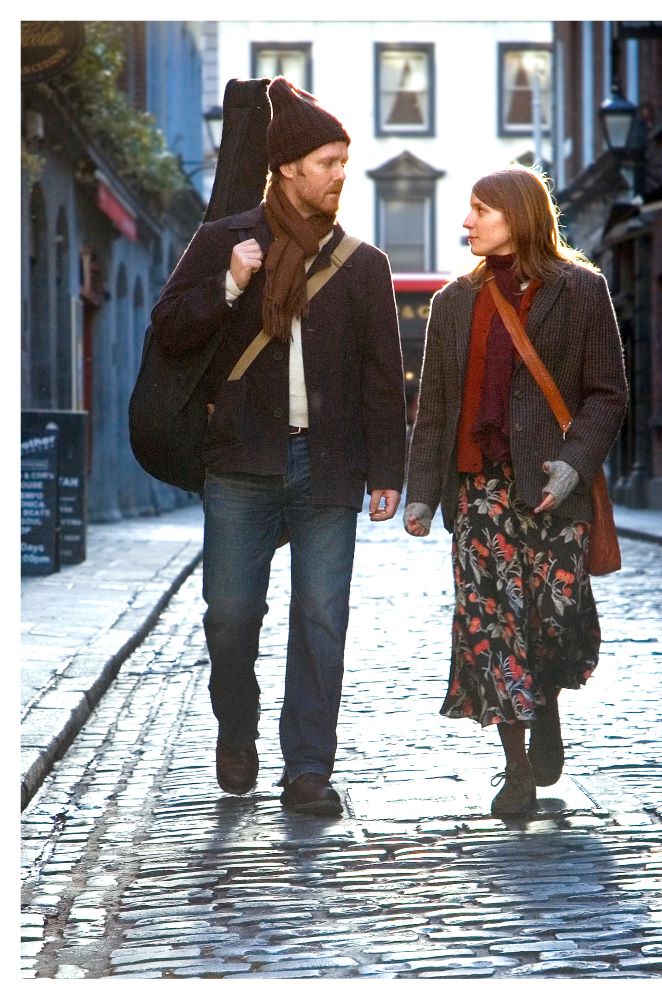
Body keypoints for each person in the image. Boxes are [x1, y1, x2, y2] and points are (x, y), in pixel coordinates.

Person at [151, 77, 407, 815]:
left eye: (343, 162)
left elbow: (381, 376)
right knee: (230, 616)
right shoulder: (224, 240)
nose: (338, 175)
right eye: (328, 160)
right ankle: (237, 725)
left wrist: (385, 469)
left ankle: (307, 771)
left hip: (328, 465)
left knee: (321, 619)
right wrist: (229, 287)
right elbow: (169, 331)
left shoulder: (362, 264)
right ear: (290, 166)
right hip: (240, 462)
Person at [404, 166, 627, 817]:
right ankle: (515, 767)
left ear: (518, 215)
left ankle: (546, 705)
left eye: (479, 210)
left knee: (550, 624)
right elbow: (436, 408)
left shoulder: (581, 290)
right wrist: (422, 493)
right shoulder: (452, 303)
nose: (466, 223)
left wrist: (572, 465)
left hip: (552, 489)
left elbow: (607, 393)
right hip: (478, 490)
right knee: (492, 626)